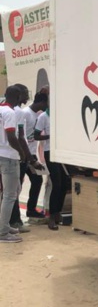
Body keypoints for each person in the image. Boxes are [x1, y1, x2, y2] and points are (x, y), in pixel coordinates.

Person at [0, 86, 33, 243]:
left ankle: (4, 225)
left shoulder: (1, 110)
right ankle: (3, 233)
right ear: (18, 96)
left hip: (2, 155)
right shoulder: (10, 113)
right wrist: (21, 153)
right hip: (9, 157)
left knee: (13, 191)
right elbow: (12, 136)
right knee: (10, 195)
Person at [11, 88, 47, 228]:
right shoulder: (24, 114)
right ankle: (15, 219)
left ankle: (31, 210)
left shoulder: (36, 114)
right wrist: (28, 158)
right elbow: (21, 137)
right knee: (16, 187)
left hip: (30, 154)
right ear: (42, 102)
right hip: (24, 155)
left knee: (37, 180)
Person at [34, 103, 67, 231]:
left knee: (64, 183)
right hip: (50, 152)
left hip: (62, 151)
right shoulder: (43, 117)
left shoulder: (61, 115)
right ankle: (52, 216)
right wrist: (50, 136)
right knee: (56, 183)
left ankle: (58, 212)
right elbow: (36, 135)